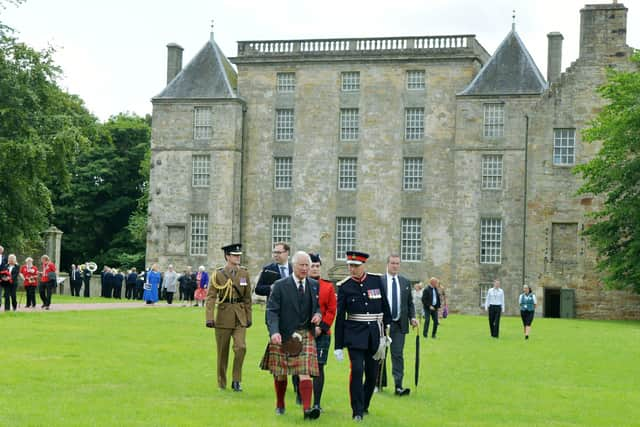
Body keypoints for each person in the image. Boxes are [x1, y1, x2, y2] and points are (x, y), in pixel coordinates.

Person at [260, 251, 322, 420]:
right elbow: (272, 311)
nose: (304, 268)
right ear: (293, 266)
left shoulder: (314, 285)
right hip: (284, 333)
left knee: (305, 371)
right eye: (301, 265)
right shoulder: (280, 285)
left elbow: (316, 307)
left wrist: (318, 315)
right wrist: (274, 332)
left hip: (305, 333)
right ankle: (280, 404)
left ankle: (307, 410)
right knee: (280, 372)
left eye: (307, 265)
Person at [334, 251, 392, 422]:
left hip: (375, 334)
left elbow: (385, 307)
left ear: (363, 265)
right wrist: (338, 345)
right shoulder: (344, 286)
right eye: (350, 266)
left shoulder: (376, 281)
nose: (352, 269)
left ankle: (365, 405)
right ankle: (357, 411)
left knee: (373, 375)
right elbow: (340, 318)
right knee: (357, 371)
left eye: (356, 266)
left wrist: (387, 330)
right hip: (354, 335)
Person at [206, 244, 253, 391]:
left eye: (239, 255)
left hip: (240, 316)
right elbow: (211, 297)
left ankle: (236, 380)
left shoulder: (244, 273)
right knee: (222, 352)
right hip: (223, 315)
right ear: (227, 256)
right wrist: (209, 317)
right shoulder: (218, 274)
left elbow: (247, 298)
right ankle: (221, 381)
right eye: (234, 255)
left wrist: (249, 316)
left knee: (241, 347)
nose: (238, 257)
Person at [382, 254, 417, 395]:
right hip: (382, 324)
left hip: (399, 324)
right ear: (387, 264)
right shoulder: (380, 281)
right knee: (380, 355)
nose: (395, 266)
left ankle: (398, 386)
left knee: (397, 354)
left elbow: (409, 304)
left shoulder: (405, 282)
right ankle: (379, 384)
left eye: (397, 263)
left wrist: (412, 318)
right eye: (392, 263)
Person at [308, 253, 337, 412]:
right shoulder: (302, 284)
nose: (314, 269)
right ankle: (301, 396)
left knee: (319, 367)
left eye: (317, 266)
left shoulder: (328, 286)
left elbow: (332, 311)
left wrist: (322, 328)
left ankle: (317, 402)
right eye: (312, 265)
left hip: (323, 333)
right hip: (303, 331)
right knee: (301, 367)